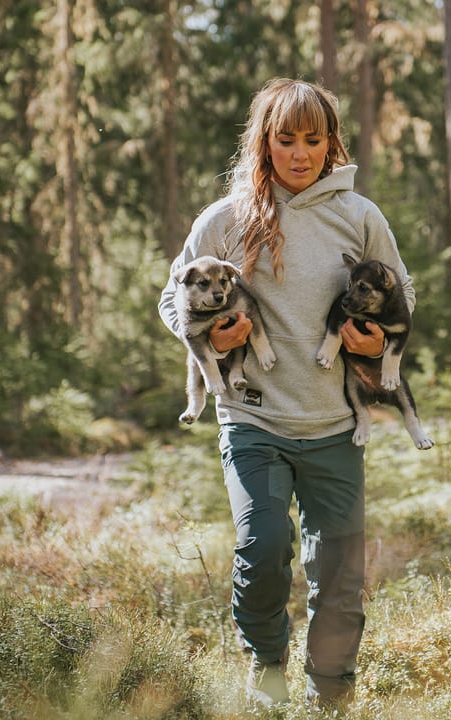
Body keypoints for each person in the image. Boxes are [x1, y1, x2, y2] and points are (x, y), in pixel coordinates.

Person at [158, 78, 415, 709]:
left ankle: (331, 695)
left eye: (313, 139)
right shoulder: (225, 218)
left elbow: (405, 294)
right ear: (263, 142)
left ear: (331, 143)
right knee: (262, 544)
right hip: (254, 420)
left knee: (339, 575)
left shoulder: (359, 216)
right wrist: (218, 339)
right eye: (284, 139)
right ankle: (268, 673)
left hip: (333, 423)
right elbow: (172, 299)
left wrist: (370, 343)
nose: (299, 154)